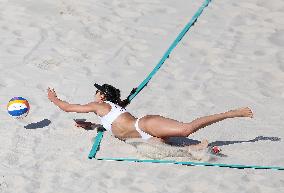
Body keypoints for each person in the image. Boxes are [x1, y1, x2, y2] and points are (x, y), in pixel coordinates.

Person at [47, 83, 253, 151]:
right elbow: (114, 126)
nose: (95, 94)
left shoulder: (98, 105)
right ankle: (203, 148)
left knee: (186, 129)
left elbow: (67, 107)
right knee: (177, 149)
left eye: (98, 91)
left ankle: (231, 113)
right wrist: (91, 126)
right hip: (141, 138)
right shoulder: (105, 113)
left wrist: (54, 99)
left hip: (144, 125)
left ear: (102, 96)